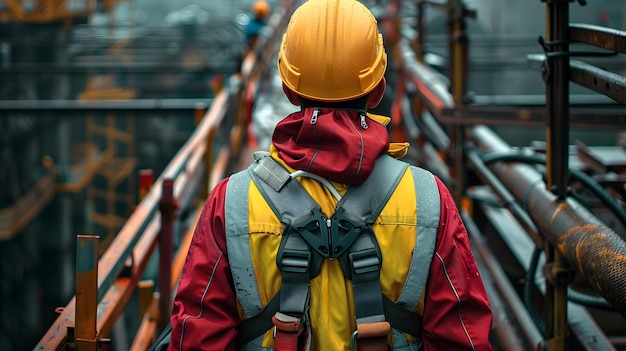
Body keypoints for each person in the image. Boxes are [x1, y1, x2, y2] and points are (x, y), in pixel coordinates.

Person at [168, 0, 493, 350]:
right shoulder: (429, 201)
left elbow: (196, 339)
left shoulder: (230, 204)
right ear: (378, 89)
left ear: (288, 89)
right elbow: (463, 338)